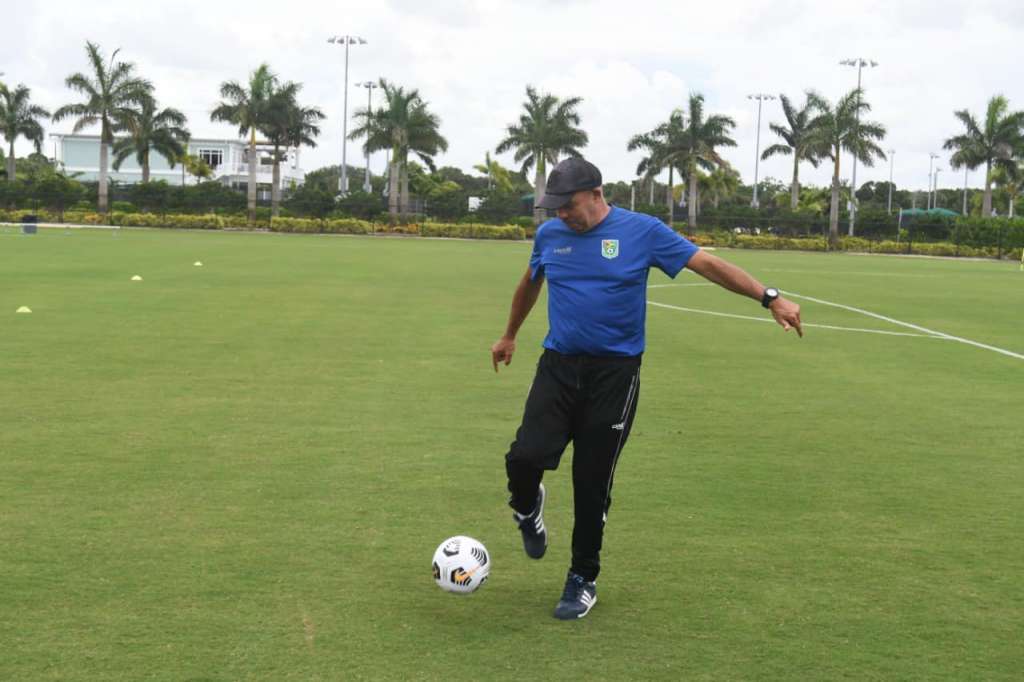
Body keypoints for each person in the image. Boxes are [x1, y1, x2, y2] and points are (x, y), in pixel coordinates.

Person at [491, 157, 803, 620]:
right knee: (523, 458)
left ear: (596, 195)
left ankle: (582, 578)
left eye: (569, 205)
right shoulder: (550, 236)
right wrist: (510, 333)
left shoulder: (643, 232)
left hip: (615, 375)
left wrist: (769, 297)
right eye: (554, 208)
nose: (561, 215)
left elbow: (707, 264)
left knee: (592, 483)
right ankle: (527, 504)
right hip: (557, 367)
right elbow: (531, 282)